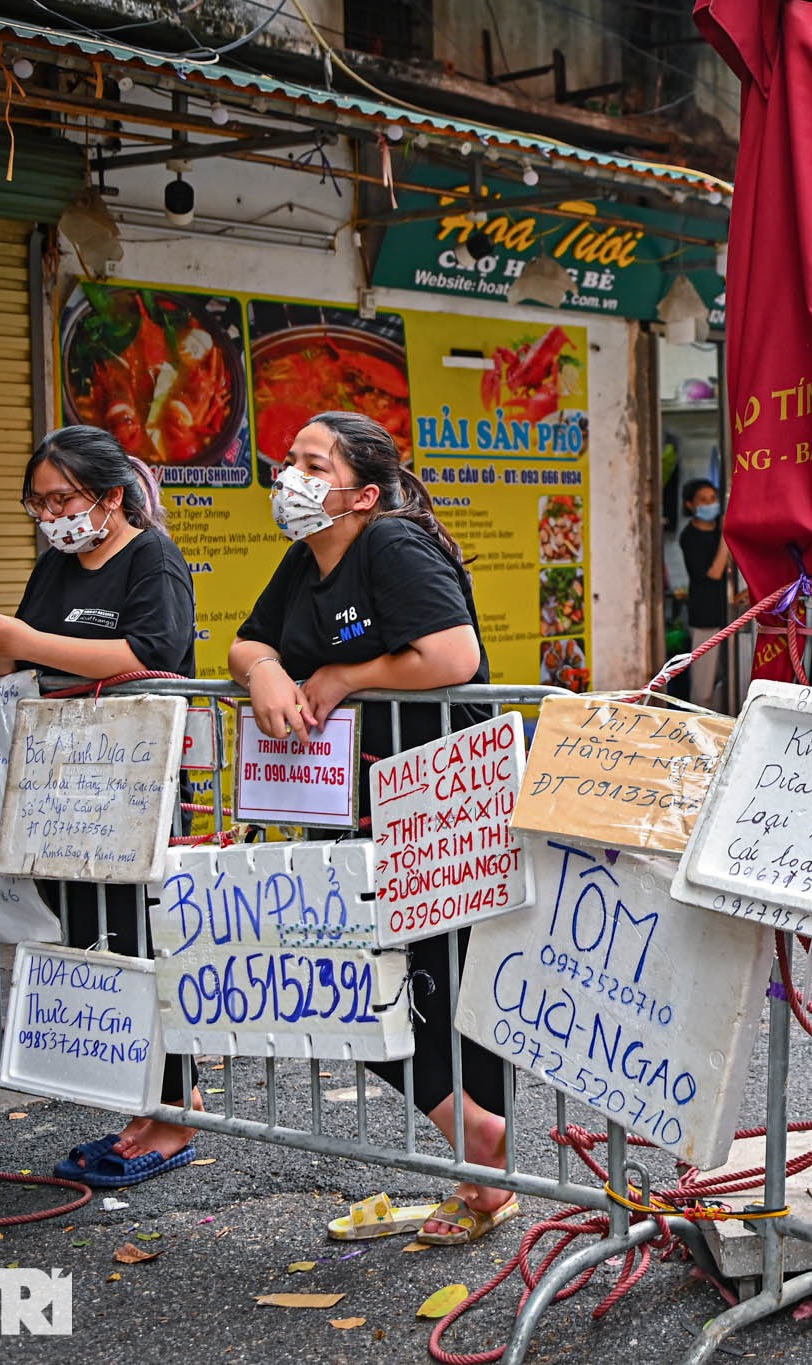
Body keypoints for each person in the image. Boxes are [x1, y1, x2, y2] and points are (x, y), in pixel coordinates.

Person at [227, 410, 515, 1245]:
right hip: (346, 815)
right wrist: (272, 670)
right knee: (342, 982)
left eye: (311, 463)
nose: (289, 477)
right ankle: (476, 1139)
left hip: (439, 809)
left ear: (360, 492)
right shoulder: (302, 561)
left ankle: (482, 1174)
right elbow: (245, 641)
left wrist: (345, 673)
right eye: (288, 459)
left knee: (447, 990)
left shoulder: (391, 545)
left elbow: (453, 656)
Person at [0, 425, 204, 1187]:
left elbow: (148, 653)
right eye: (40, 501)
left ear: (111, 496)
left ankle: (174, 1103)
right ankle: (144, 1097)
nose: (51, 513)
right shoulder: (55, 566)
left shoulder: (152, 557)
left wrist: (28, 638)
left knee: (142, 939)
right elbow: (12, 661)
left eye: (64, 497)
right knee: (88, 935)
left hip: (132, 777)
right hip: (58, 781)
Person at [677, 479, 735, 708]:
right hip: (705, 619)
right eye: (703, 500)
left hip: (726, 615)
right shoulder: (689, 537)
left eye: (713, 498)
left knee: (724, 684)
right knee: (703, 691)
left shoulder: (718, 532)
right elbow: (714, 573)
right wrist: (726, 536)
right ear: (690, 505)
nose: (710, 504)